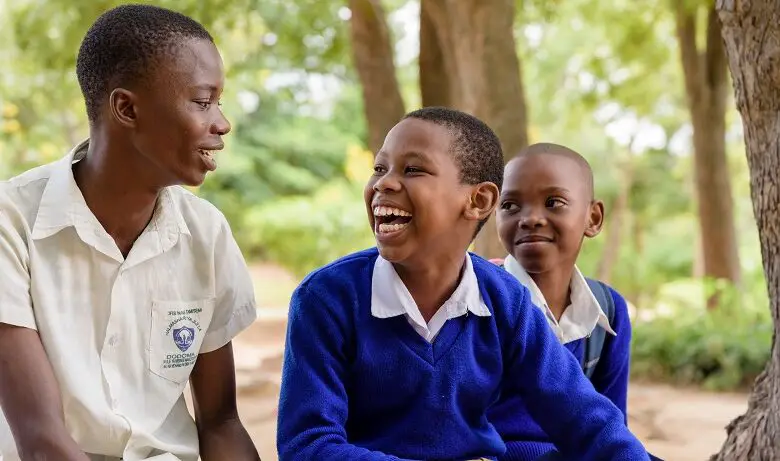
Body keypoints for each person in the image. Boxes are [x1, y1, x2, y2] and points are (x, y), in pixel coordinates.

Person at [276, 107, 650, 460]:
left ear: (478, 200)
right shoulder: (327, 298)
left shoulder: (506, 302)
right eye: (379, 167)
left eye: (413, 169)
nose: (384, 183)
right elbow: (308, 445)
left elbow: (586, 418)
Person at [0, 5, 259, 461]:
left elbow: (221, 422)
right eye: (203, 101)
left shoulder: (206, 234)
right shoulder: (13, 223)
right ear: (126, 108)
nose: (222, 123)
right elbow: (42, 441)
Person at [487, 143, 634, 461]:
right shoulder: (478, 300)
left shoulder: (608, 311)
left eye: (553, 202)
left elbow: (612, 429)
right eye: (510, 205)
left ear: (592, 218)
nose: (530, 218)